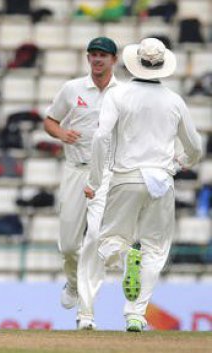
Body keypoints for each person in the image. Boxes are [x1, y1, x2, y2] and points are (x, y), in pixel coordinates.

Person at [84, 38, 202, 332]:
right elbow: (196, 147)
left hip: (126, 177)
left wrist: (96, 179)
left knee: (109, 242)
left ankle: (124, 254)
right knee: (156, 249)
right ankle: (136, 314)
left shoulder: (119, 95)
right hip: (161, 181)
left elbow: (100, 138)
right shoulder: (175, 101)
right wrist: (179, 163)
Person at [43, 37, 119, 330]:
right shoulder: (73, 88)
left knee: (95, 241)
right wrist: (61, 134)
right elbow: (50, 121)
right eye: (94, 55)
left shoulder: (123, 93)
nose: (98, 60)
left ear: (114, 59)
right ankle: (74, 283)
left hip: (108, 175)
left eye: (104, 56)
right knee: (69, 245)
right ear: (88, 58)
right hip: (76, 170)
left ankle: (86, 312)